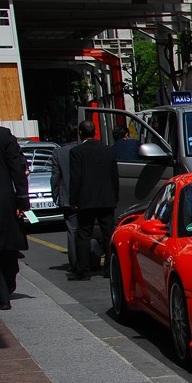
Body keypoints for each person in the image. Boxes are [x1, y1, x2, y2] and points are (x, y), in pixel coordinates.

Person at [0, 93, 30, 310]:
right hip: (4, 198)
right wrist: (22, 200)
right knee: (7, 244)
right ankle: (8, 285)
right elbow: (18, 168)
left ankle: (0, 294)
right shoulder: (2, 134)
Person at [67, 120, 119, 281]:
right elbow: (114, 176)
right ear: (95, 132)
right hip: (106, 198)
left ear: (80, 133)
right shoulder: (108, 150)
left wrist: (73, 200)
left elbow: (75, 178)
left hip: (86, 199)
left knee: (84, 234)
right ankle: (110, 269)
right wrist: (115, 196)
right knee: (108, 234)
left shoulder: (77, 152)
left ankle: (83, 271)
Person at [51, 121, 89, 274]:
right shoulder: (85, 149)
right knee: (87, 230)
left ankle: (75, 263)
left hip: (67, 196)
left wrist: (55, 195)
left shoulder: (59, 152)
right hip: (87, 196)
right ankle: (89, 260)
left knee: (72, 231)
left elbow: (55, 176)